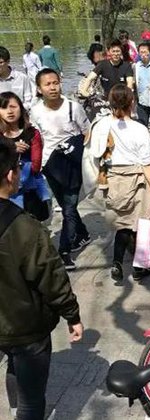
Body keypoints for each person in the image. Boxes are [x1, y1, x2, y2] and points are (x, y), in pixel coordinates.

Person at [0, 141, 83, 420]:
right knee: (32, 402)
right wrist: (72, 314)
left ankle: (14, 408)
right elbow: (51, 276)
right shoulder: (24, 227)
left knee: (14, 363)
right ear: (11, 175)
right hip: (25, 326)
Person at [97, 84, 150, 282]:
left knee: (122, 225)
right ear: (131, 103)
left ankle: (117, 262)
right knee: (140, 225)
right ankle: (138, 268)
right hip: (136, 179)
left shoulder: (101, 125)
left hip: (113, 178)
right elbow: (147, 165)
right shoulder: (139, 129)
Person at [30, 69, 91, 270]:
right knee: (66, 207)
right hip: (49, 166)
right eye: (47, 84)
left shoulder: (74, 107)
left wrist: (82, 153)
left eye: (55, 82)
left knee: (70, 207)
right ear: (39, 89)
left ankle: (64, 250)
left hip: (72, 165)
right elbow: (35, 138)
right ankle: (82, 234)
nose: (53, 87)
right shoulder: (36, 111)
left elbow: (87, 132)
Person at [0, 92, 50, 220]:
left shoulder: (32, 133)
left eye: (13, 107)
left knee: (33, 220)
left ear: (20, 109)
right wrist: (11, 148)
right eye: (4, 108)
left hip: (29, 185)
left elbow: (36, 163)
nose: (9, 111)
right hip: (3, 187)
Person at [133, 42, 150, 143]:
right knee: (142, 123)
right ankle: (144, 142)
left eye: (145, 52)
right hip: (141, 100)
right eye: (141, 52)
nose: (143, 54)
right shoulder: (135, 67)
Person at [0, 46, 34, 110]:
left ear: (8, 61)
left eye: (1, 63)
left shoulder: (22, 78)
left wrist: (16, 110)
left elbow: (29, 101)